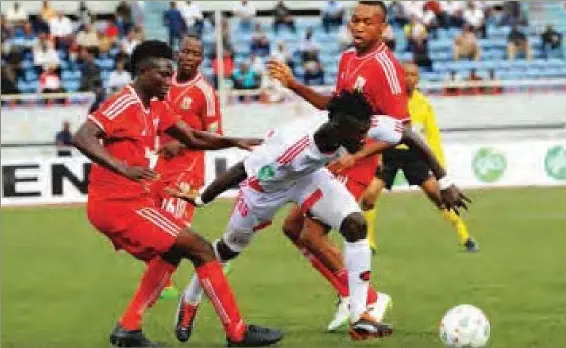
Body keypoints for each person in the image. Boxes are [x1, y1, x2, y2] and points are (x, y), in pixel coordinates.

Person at [169, 90, 471, 342]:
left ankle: (359, 315)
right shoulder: (288, 148)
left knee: (355, 224)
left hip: (310, 177)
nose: (365, 139)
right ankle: (190, 299)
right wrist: (200, 198)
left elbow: (407, 134)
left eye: (366, 131)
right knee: (228, 249)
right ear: (338, 127)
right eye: (359, 134)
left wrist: (444, 182)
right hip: (264, 189)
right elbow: (238, 172)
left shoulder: (357, 123)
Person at [266, 0, 466, 330]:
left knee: (312, 235)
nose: (359, 27)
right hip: (332, 156)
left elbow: (401, 132)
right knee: (292, 229)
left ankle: (368, 298)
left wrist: (356, 158)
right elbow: (335, 107)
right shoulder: (347, 58)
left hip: (356, 163)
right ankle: (353, 296)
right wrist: (293, 85)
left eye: (367, 22)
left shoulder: (386, 68)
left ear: (382, 27)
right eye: (355, 20)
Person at [71, 39, 283, 348]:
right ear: (142, 72)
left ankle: (129, 327)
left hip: (134, 201)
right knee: (200, 248)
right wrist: (122, 168)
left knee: (173, 251)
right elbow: (82, 136)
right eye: (162, 74)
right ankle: (237, 333)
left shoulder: (156, 105)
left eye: (171, 74)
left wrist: (236, 141)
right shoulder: (124, 101)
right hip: (117, 204)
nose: (169, 81)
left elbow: (192, 137)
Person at [151, 34, 223, 300]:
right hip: (160, 166)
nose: (190, 58)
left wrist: (181, 145)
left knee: (172, 227)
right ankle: (163, 281)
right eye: (186, 52)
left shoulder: (205, 91)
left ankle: (165, 283)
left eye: (195, 54)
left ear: (201, 59)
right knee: (155, 226)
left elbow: (215, 134)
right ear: (176, 54)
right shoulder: (163, 85)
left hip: (188, 168)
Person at [380, 62, 478, 251]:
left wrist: (440, 166)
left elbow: (433, 136)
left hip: (413, 153)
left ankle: (465, 236)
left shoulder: (424, 104)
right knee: (368, 197)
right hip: (388, 150)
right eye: (405, 74)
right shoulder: (389, 100)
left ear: (418, 78)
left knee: (438, 196)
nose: (409, 78)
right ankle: (369, 244)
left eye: (413, 75)